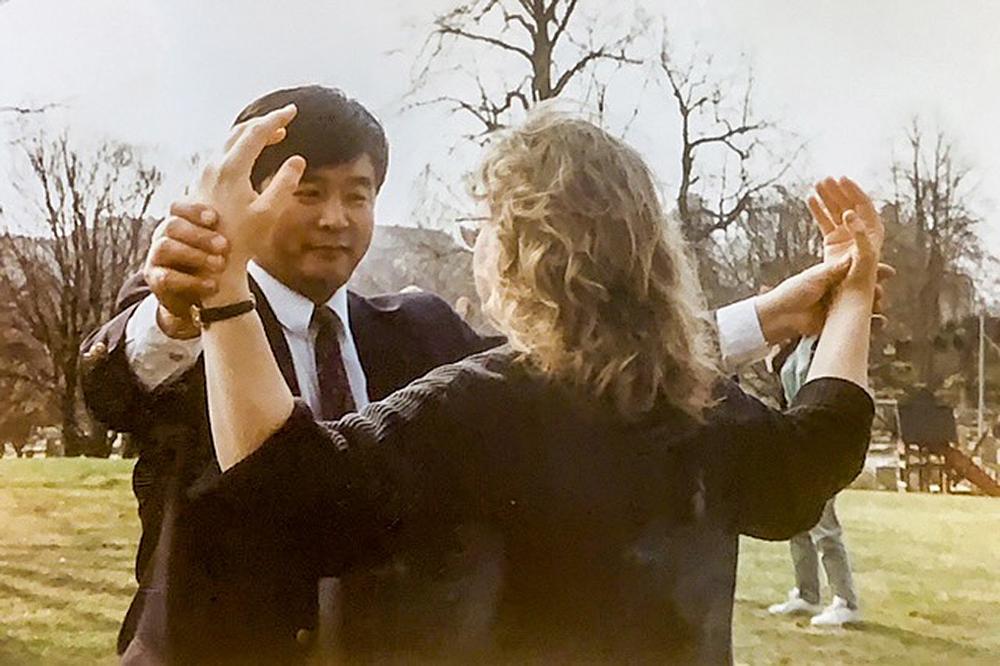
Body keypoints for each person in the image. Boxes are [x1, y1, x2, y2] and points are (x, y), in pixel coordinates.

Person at [78, 87, 882, 660]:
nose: (335, 216)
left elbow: (579, 379)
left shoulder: (426, 330)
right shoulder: (173, 317)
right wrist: (194, 306)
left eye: (357, 193)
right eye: (309, 191)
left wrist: (769, 315)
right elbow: (112, 386)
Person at [767, 336, 862, 626]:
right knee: (797, 520)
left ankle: (845, 600)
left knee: (824, 524)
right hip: (797, 437)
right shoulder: (798, 344)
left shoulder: (828, 342)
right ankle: (807, 594)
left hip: (821, 441)